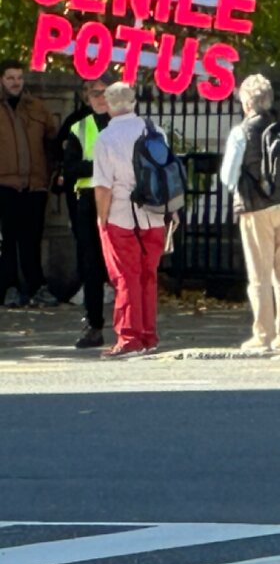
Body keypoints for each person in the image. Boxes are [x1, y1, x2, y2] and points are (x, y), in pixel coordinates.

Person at [220, 74, 280, 353]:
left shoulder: (240, 133)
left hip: (257, 207)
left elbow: (228, 177)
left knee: (259, 274)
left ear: (246, 102)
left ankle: (262, 335)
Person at [93, 82, 166, 358]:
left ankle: (129, 338)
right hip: (154, 213)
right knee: (148, 275)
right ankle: (148, 335)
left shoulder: (106, 138)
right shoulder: (155, 131)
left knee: (125, 277)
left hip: (121, 214)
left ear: (109, 105)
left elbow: (103, 186)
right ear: (134, 103)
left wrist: (102, 219)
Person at [60, 74, 115, 348]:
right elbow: (69, 169)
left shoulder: (125, 124)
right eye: (95, 93)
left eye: (105, 92)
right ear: (86, 97)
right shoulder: (79, 128)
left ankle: (132, 326)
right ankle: (94, 325)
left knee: (121, 266)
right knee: (91, 265)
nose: (101, 98)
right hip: (89, 201)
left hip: (120, 200)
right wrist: (101, 166)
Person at [0, 59, 60, 308]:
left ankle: (37, 287)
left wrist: (52, 175)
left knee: (32, 239)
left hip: (34, 185)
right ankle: (10, 288)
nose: (16, 82)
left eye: (19, 77)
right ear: (1, 79)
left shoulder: (36, 107)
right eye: (10, 77)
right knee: (7, 241)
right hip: (3, 185)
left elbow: (53, 139)